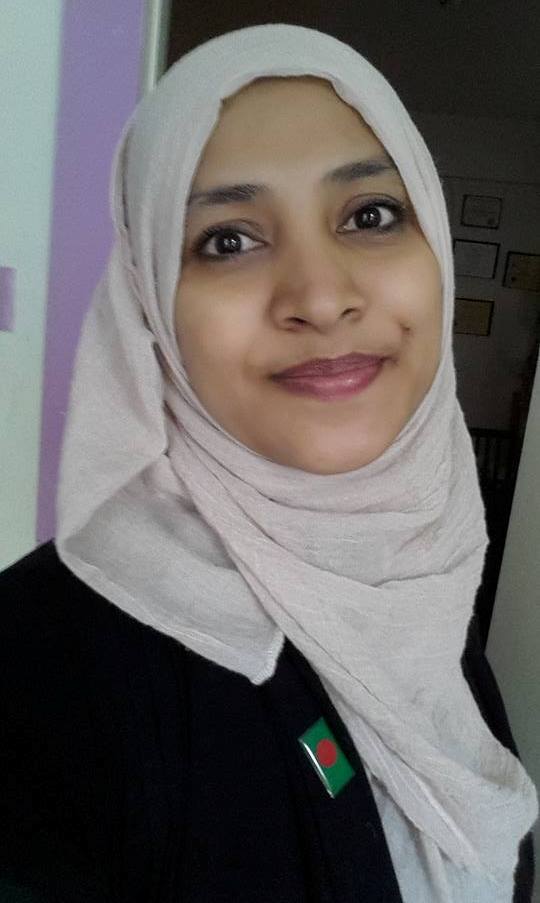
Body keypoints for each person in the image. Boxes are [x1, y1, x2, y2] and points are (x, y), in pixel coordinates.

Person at [0, 23, 537, 903]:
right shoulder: (45, 667)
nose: (321, 297)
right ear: (149, 301)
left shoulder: (427, 576)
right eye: (228, 240)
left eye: (370, 215)